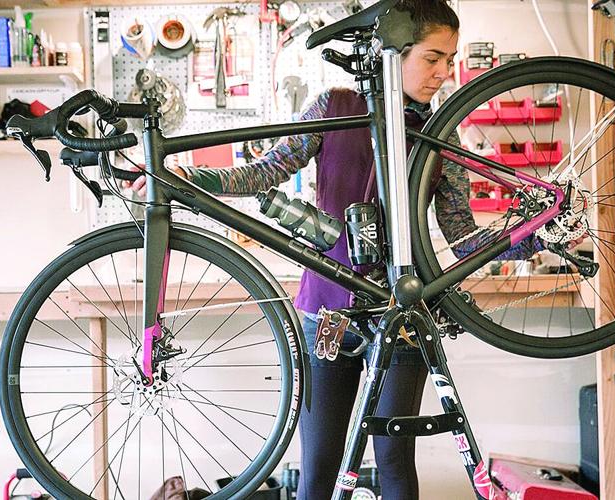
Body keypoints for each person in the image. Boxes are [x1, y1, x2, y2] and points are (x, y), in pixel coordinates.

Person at [125, 0, 534, 497]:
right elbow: (263, 172)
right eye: (433, 58)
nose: (444, 74)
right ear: (394, 53)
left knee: (394, 463)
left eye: (449, 61)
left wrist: (533, 234)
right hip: (327, 317)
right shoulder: (334, 106)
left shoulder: (439, 135)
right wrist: (191, 177)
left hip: (399, 319)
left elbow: (463, 236)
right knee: (318, 465)